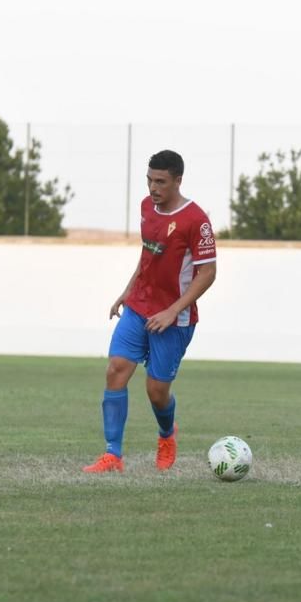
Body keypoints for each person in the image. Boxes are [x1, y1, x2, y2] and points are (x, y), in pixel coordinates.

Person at [83, 150, 217, 473]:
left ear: (177, 181)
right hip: (139, 307)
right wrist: (127, 292)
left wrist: (172, 311)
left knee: (157, 392)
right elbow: (148, 257)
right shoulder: (147, 208)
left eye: (161, 181)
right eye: (149, 180)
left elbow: (208, 273)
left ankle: (167, 434)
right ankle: (113, 454)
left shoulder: (195, 220)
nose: (153, 188)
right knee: (116, 368)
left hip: (174, 318)